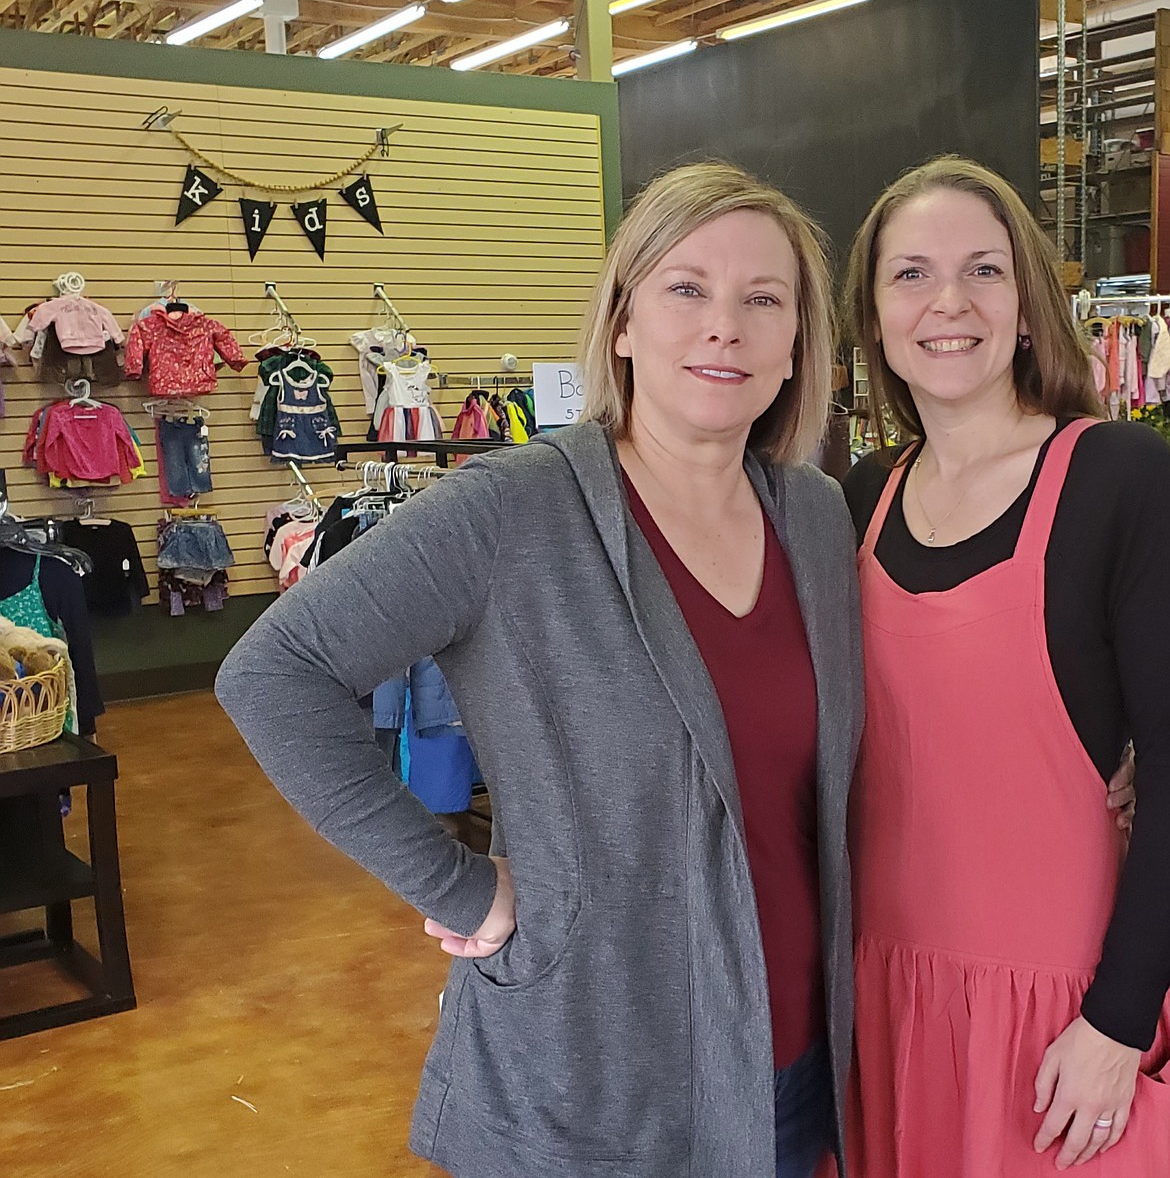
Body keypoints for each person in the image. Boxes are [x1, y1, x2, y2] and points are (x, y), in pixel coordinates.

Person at [215, 161, 864, 1178]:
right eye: (686, 288)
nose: (723, 325)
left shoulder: (814, 518)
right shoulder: (515, 509)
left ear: (797, 345)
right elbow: (274, 673)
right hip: (596, 1079)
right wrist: (456, 886)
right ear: (622, 323)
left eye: (762, 299)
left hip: (793, 1066)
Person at [842, 155, 1170, 1176]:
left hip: (1065, 1023)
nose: (948, 302)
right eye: (911, 275)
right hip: (885, 1003)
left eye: (984, 271)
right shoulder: (855, 498)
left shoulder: (1120, 479)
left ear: (1028, 306)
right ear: (876, 317)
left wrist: (1118, 1024)